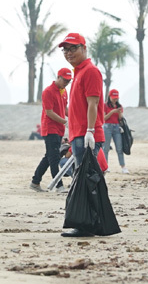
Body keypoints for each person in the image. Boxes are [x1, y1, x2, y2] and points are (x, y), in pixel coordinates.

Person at [58, 33, 106, 238]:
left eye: (73, 48)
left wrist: (90, 131)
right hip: (77, 135)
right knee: (83, 179)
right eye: (65, 49)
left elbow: (93, 104)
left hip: (88, 135)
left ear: (84, 48)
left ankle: (87, 225)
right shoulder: (77, 73)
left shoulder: (91, 71)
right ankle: (88, 223)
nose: (69, 53)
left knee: (86, 180)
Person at [29, 68, 72, 193]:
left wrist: (74, 118)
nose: (66, 83)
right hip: (49, 129)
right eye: (64, 80)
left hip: (59, 129)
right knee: (54, 158)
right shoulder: (48, 91)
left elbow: (64, 109)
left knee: (49, 156)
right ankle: (59, 186)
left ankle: (35, 182)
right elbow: (49, 112)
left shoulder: (64, 92)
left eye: (68, 81)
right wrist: (65, 122)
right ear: (58, 77)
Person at [103, 89, 128, 174]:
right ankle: (105, 166)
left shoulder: (119, 106)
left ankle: (123, 166)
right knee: (105, 148)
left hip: (117, 127)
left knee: (119, 147)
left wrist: (119, 112)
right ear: (109, 96)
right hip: (107, 127)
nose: (115, 100)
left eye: (116, 98)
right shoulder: (105, 105)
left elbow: (120, 119)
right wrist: (112, 112)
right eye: (113, 98)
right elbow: (104, 118)